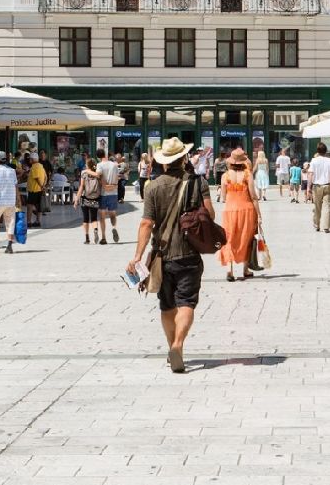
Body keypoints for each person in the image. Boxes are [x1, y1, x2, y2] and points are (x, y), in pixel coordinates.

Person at [127, 137, 214, 373]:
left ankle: (172, 347)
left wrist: (137, 256)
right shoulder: (198, 183)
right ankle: (178, 344)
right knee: (186, 302)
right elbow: (210, 215)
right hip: (189, 253)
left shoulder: (152, 187)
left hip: (162, 256)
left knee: (167, 306)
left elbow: (146, 223)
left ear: (164, 162)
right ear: (184, 158)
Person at [217, 149, 261, 282]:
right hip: (247, 210)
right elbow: (253, 196)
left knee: (229, 238)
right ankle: (245, 270)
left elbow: (223, 197)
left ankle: (229, 271)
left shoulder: (225, 176)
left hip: (230, 210)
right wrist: (259, 215)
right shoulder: (248, 174)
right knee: (246, 238)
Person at [308, 144, 330, 233]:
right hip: (328, 185)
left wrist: (309, 187)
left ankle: (317, 225)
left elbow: (310, 175)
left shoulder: (314, 161)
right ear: (326, 151)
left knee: (317, 207)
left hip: (317, 186)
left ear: (317, 151)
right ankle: (326, 227)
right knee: (327, 206)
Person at [95, 148, 121, 243]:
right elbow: (117, 177)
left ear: (98, 157)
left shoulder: (99, 165)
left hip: (103, 193)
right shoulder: (114, 165)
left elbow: (98, 175)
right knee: (112, 214)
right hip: (113, 193)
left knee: (102, 216)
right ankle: (114, 227)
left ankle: (103, 237)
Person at [78, 158, 103, 244]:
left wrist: (77, 198)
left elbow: (81, 186)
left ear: (87, 165)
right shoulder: (97, 173)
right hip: (95, 197)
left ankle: (87, 238)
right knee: (94, 217)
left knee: (85, 218)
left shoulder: (84, 173)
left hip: (85, 197)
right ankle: (95, 230)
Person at [25, 153, 48, 229]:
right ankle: (38, 221)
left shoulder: (34, 167)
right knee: (38, 206)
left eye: (30, 159)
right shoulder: (41, 166)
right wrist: (43, 186)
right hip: (40, 190)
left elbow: (36, 177)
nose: (29, 160)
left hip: (33, 189)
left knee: (29, 206)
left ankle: (28, 222)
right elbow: (46, 177)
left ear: (32, 159)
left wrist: (41, 186)